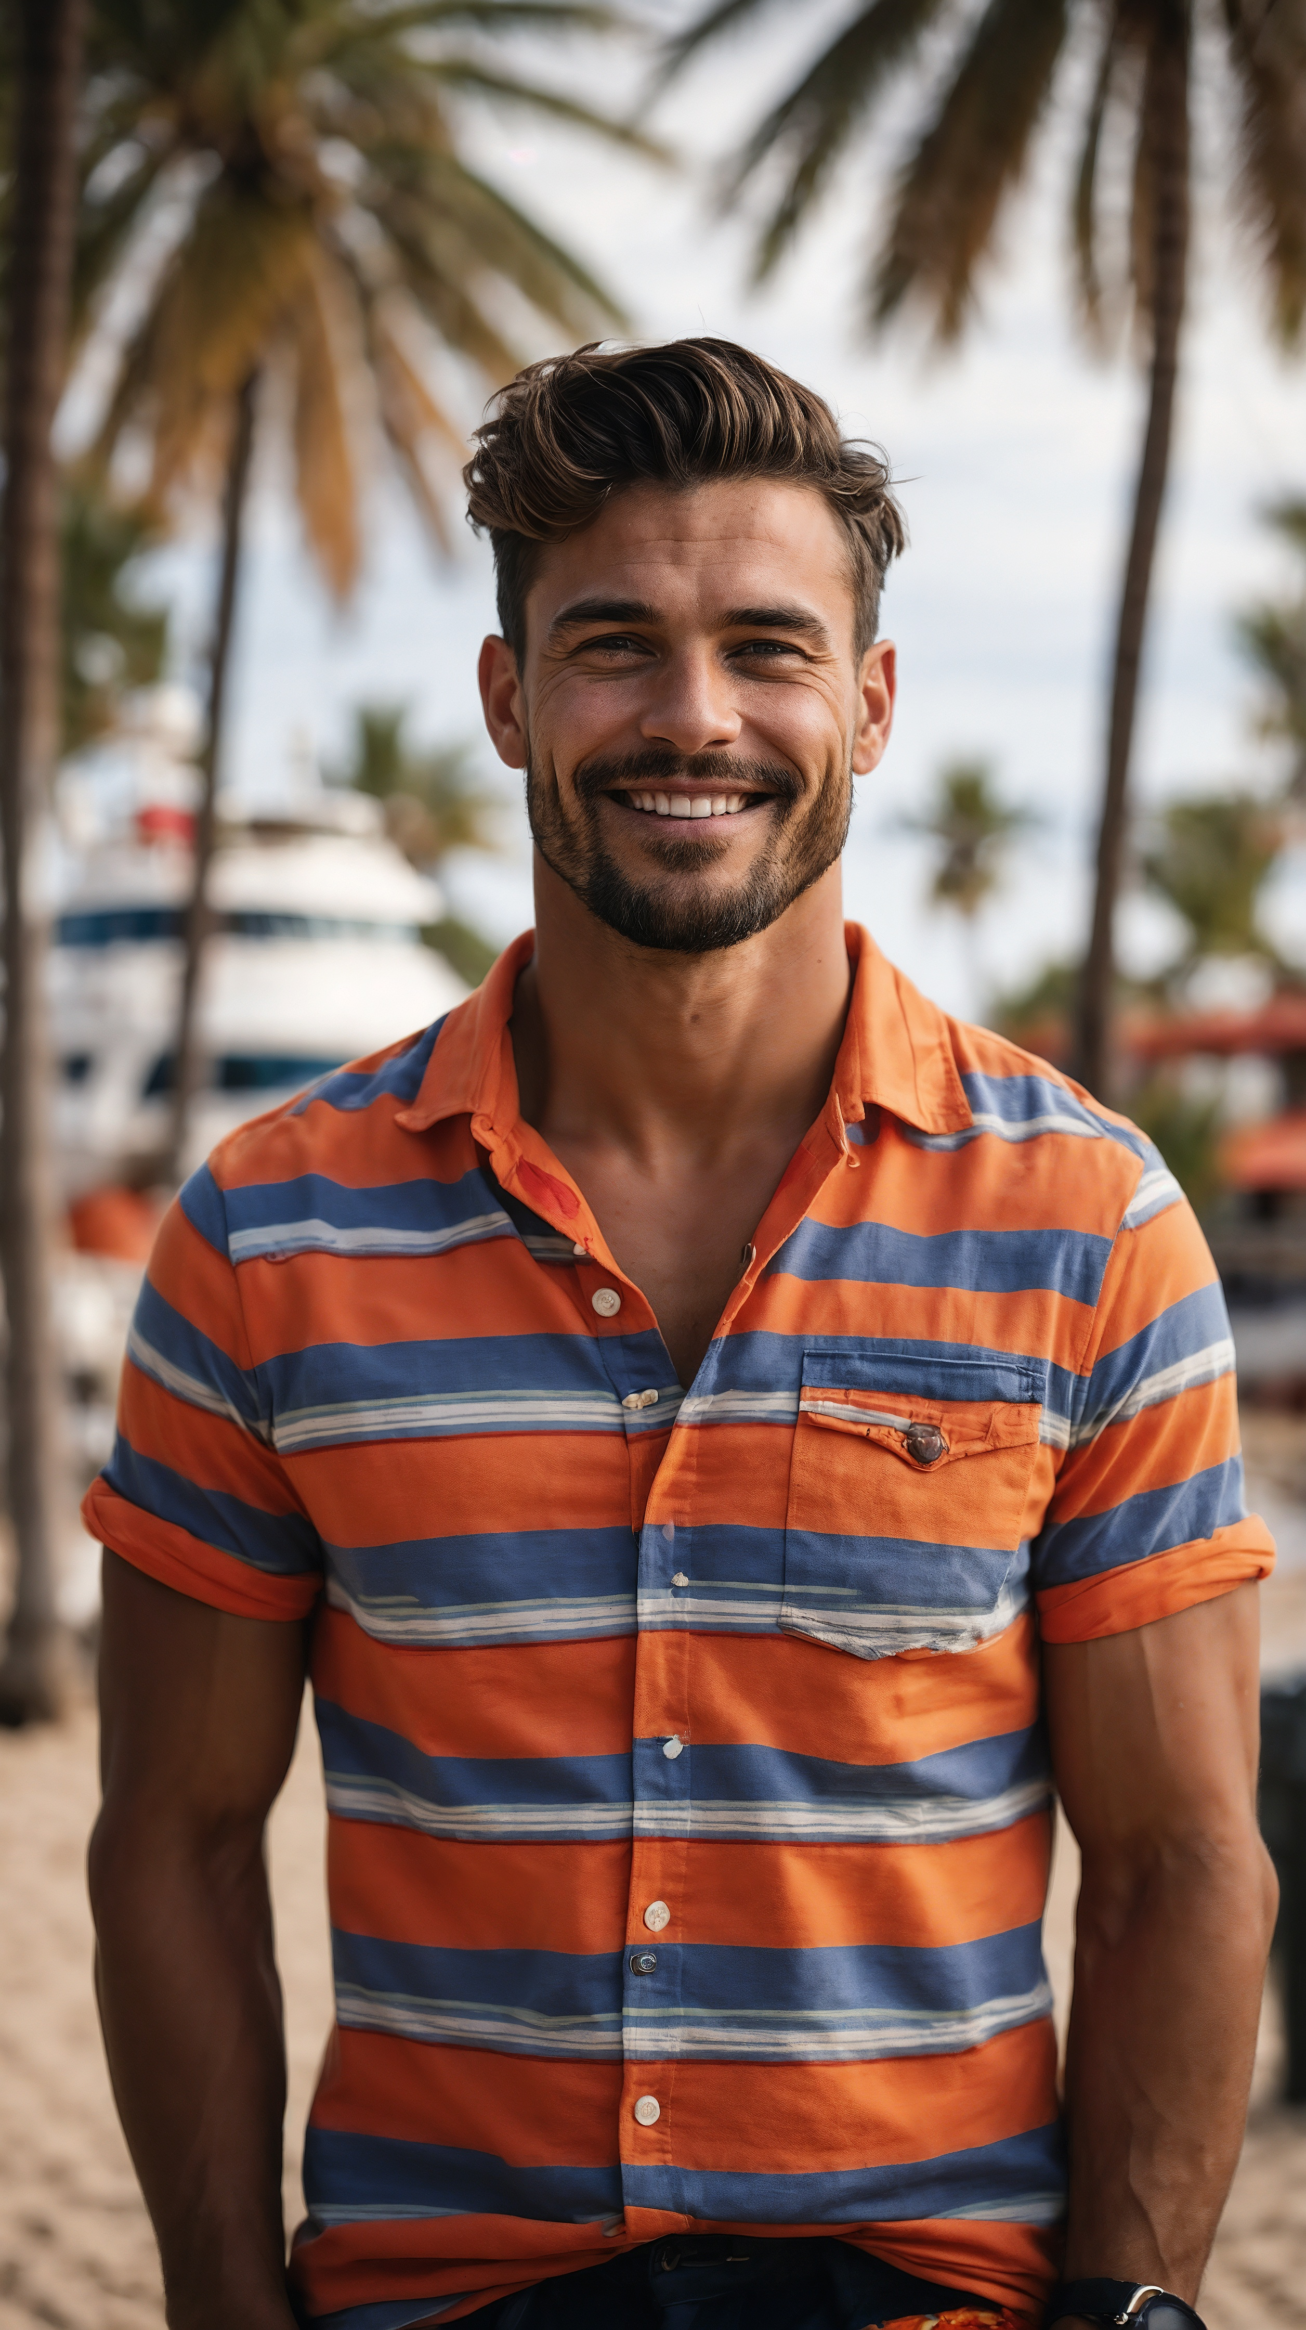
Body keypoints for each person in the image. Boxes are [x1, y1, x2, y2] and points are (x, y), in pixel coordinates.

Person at [87, 339, 1277, 2330]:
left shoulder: (1087, 1225)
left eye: (767, 645)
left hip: (927, 2296)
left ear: (871, 702)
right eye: (614, 643)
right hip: (439, 2297)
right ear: (507, 697)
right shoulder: (266, 1232)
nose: (694, 716)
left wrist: (1124, 2306)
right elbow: (176, 1840)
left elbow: (1180, 1860)